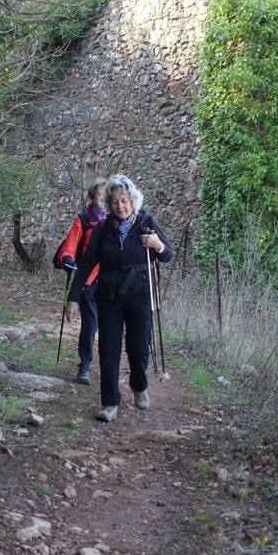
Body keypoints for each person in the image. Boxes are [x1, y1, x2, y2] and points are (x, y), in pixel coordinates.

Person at [65, 173, 173, 422]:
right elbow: (86, 264)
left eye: (124, 200)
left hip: (140, 296)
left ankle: (139, 384)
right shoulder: (102, 229)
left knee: (138, 350)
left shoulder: (146, 223)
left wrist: (157, 245)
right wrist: (73, 298)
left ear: (132, 200)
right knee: (108, 350)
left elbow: (168, 255)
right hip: (109, 296)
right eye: (114, 202)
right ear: (108, 203)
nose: (120, 206)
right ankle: (109, 402)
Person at [57, 177, 107, 384]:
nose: (103, 199)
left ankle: (109, 366)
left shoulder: (116, 220)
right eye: (99, 195)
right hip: (87, 280)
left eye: (107, 195)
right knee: (90, 323)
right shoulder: (83, 220)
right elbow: (70, 245)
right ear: (92, 196)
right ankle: (85, 364)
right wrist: (67, 259)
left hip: (110, 280)